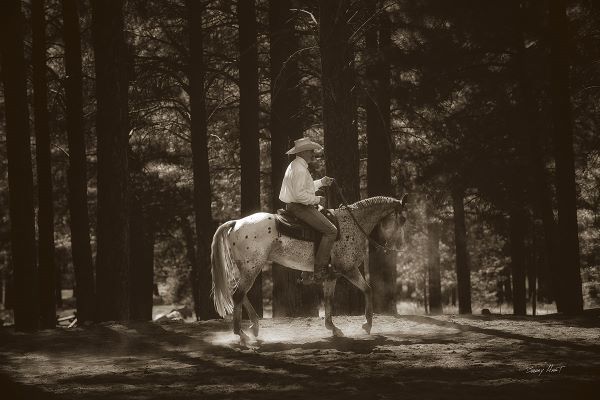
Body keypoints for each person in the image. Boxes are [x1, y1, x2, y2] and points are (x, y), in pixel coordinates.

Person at [279, 137, 337, 284]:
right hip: (299, 207)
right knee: (331, 231)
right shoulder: (299, 169)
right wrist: (317, 200)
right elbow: (300, 195)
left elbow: (305, 188)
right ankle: (318, 271)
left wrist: (321, 183)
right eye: (311, 151)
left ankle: (307, 272)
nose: (313, 153)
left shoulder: (296, 166)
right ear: (303, 152)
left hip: (296, 205)